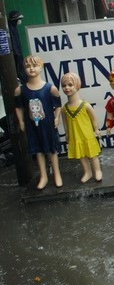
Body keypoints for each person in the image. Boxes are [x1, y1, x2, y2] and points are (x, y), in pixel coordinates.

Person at [14, 55, 62, 190]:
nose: (31, 69)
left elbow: (58, 105)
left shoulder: (50, 88)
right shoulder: (21, 90)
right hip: (32, 126)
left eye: (34, 66)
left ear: (41, 67)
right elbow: (18, 107)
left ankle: (57, 174)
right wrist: (21, 121)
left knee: (52, 150)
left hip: (48, 124)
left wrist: (57, 117)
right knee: (38, 151)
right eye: (28, 66)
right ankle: (43, 176)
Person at [60, 72, 102, 183]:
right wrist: (67, 133)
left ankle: (97, 171)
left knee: (93, 154)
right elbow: (65, 122)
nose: (67, 88)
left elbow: (93, 118)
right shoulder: (64, 109)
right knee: (81, 155)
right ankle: (87, 172)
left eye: (70, 85)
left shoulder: (85, 105)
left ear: (77, 86)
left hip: (87, 134)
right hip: (75, 136)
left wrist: (96, 129)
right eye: (64, 86)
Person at [7, 10, 26, 81]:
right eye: (19, 19)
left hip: (17, 53)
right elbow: (13, 41)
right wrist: (17, 53)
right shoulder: (10, 28)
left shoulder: (13, 27)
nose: (20, 21)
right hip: (16, 54)